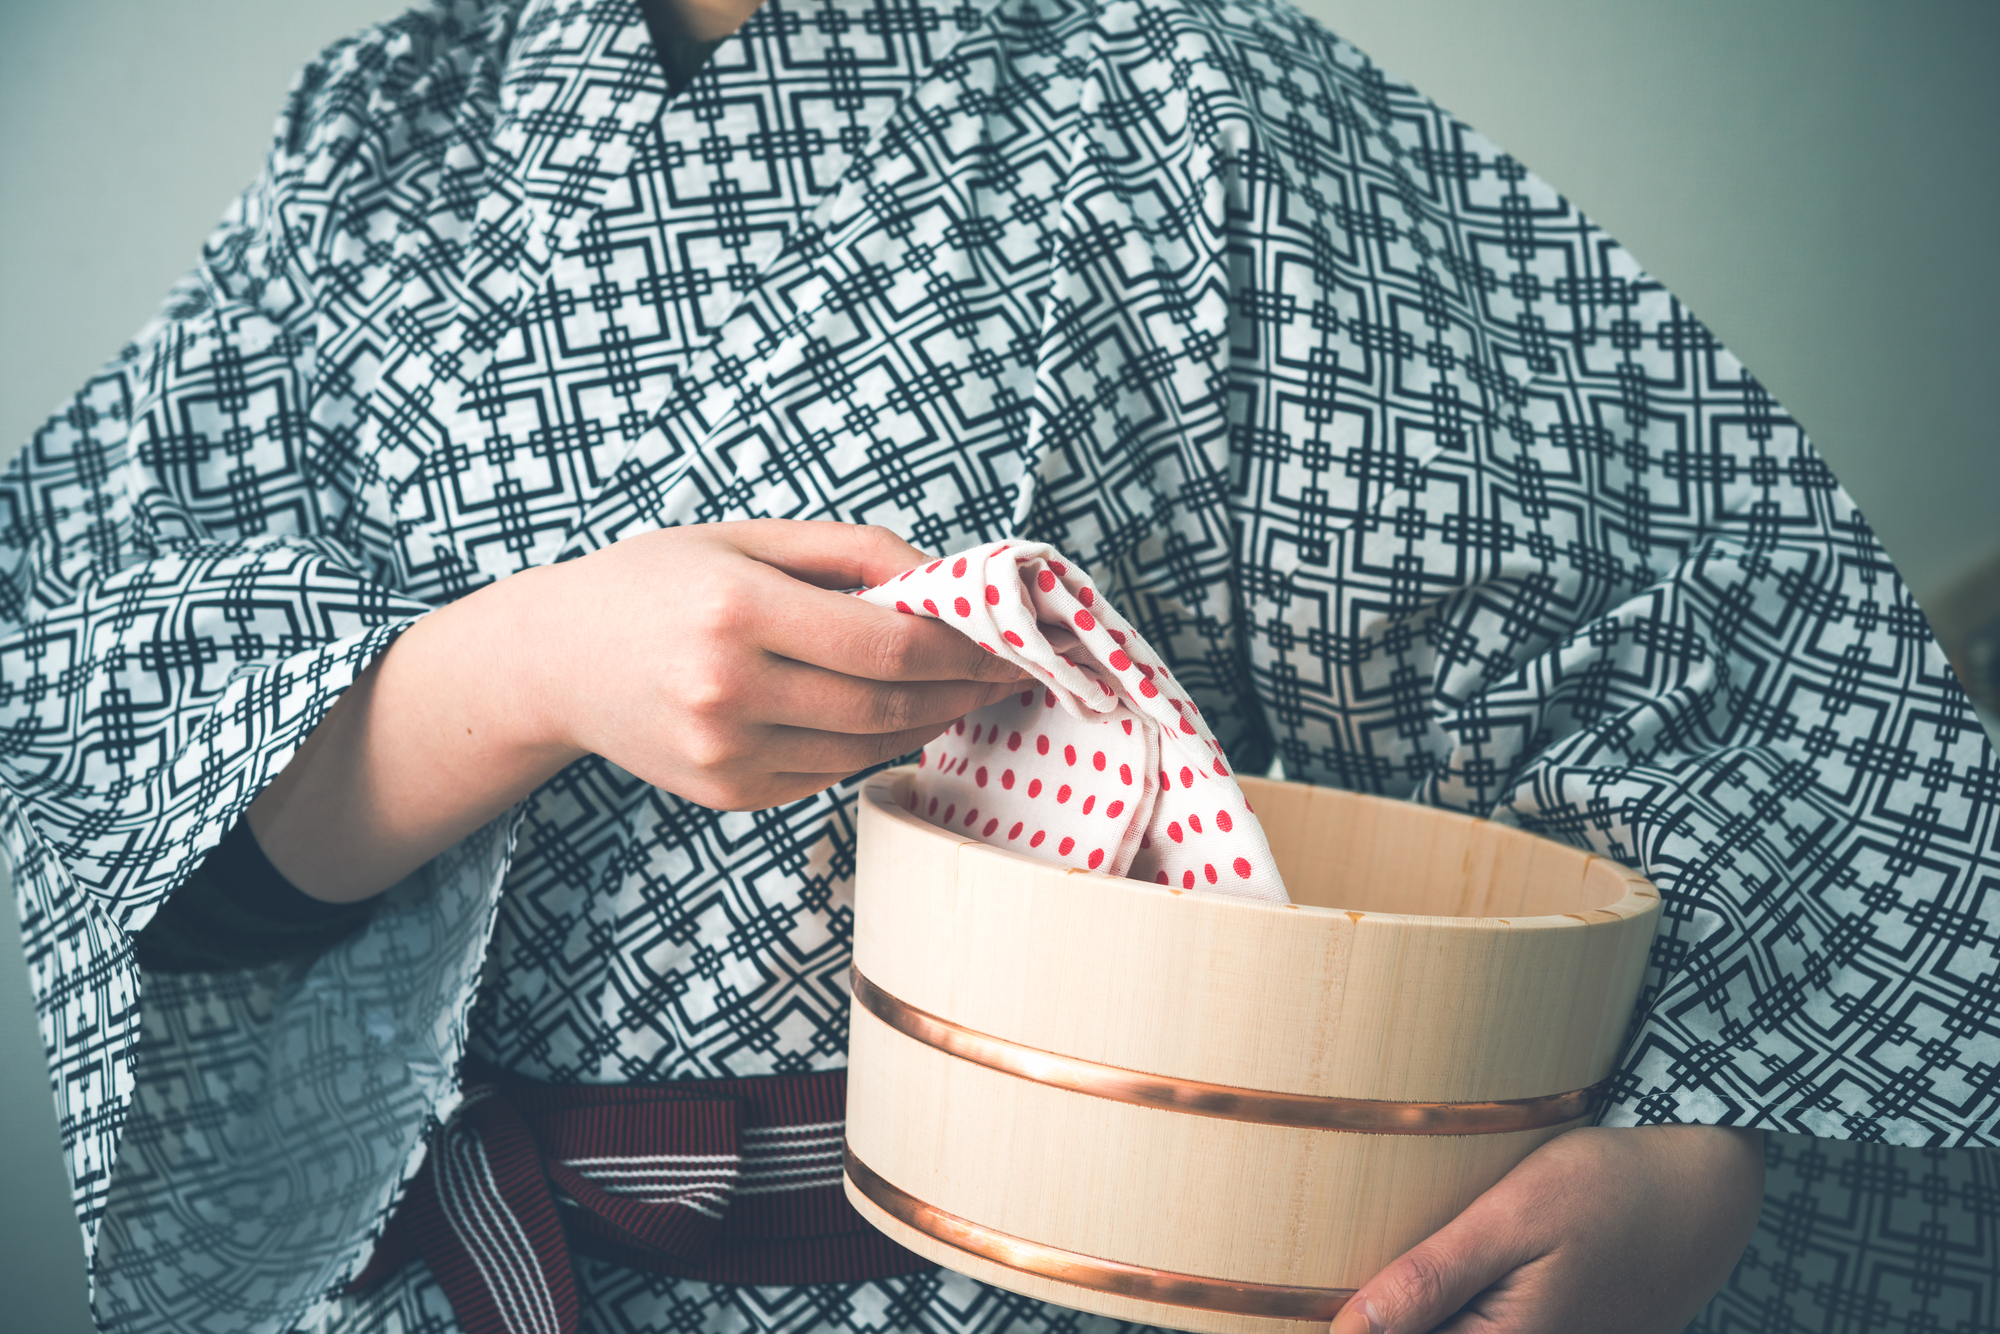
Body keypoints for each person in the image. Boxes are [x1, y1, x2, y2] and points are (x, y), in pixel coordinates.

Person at [3, 0, 1993, 1330]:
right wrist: (512, 671)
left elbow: (1667, 679)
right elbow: (107, 742)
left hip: (1063, 1268)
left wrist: (1692, 1162)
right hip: (465, 1267)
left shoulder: (1188, 97)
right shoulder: (367, 150)